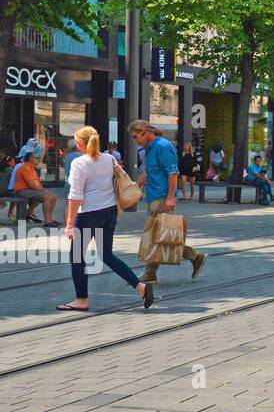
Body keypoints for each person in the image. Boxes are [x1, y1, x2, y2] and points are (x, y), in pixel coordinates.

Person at [59, 126, 154, 312]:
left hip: (88, 215)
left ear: (79, 143)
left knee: (77, 256)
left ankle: (81, 299)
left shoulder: (80, 163)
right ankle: (140, 287)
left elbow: (75, 195)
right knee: (106, 255)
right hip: (109, 212)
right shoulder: (109, 158)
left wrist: (69, 224)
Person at [130, 120, 207, 284]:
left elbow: (172, 172)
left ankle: (150, 273)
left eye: (136, 137)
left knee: (157, 236)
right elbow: (150, 172)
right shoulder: (150, 147)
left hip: (162, 197)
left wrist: (171, 197)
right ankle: (195, 258)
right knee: (162, 236)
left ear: (145, 132)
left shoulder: (161, 146)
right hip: (154, 196)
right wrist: (135, 187)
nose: (135, 141)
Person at [11, 151, 55, 225]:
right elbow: (32, 184)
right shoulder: (25, 167)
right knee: (47, 197)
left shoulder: (32, 168)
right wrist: (44, 192)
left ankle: (50, 219)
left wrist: (43, 191)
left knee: (53, 197)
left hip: (28, 190)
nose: (39, 159)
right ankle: (47, 221)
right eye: (37, 158)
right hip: (21, 190)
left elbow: (37, 183)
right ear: (31, 158)